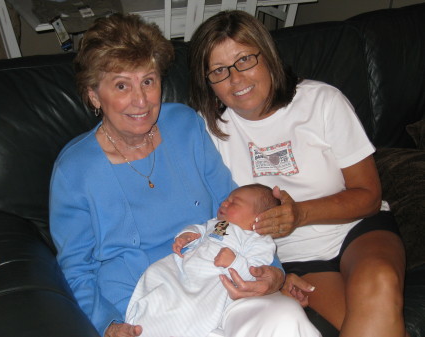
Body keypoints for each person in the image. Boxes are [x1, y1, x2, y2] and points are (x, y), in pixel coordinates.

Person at [49, 13, 319, 337]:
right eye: (122, 85)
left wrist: (273, 272)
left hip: (220, 282)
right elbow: (76, 269)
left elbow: (234, 205)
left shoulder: (184, 125)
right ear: (94, 95)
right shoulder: (75, 170)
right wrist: (107, 324)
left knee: (285, 317)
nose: (141, 100)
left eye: (148, 81)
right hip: (146, 306)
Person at [189, 9, 408, 337]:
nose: (236, 79)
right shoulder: (209, 132)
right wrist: (274, 275)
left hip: (358, 231)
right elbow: (215, 220)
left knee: (378, 283)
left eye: (245, 60)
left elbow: (369, 196)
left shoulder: (322, 101)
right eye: (219, 71)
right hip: (293, 257)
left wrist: (300, 214)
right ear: (208, 83)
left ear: (267, 54)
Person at [126, 184, 292, 337]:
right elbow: (202, 230)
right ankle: (144, 319)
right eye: (226, 199)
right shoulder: (220, 224)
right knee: (158, 276)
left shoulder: (258, 240)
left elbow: (254, 274)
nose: (224, 203)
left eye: (234, 202)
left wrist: (234, 263)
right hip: (184, 270)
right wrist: (187, 235)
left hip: (212, 283)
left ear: (259, 218)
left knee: (191, 309)